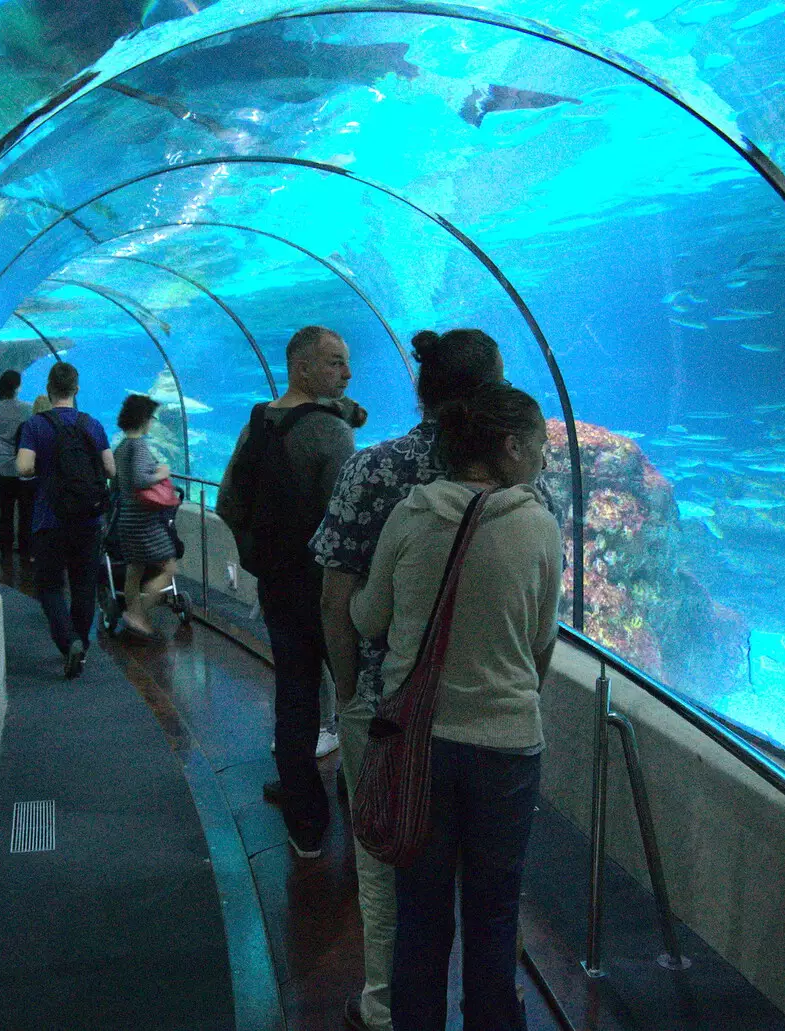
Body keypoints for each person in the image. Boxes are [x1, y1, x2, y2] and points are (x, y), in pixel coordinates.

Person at [312, 327, 512, 1031]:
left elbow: (338, 601)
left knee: (386, 862)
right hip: (483, 711)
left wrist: (347, 695)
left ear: (422, 388)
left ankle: (385, 1007)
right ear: (492, 390)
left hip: (385, 702)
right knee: (484, 886)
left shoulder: (373, 469)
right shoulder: (514, 485)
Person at [349, 382, 559, 1031]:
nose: (547, 459)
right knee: (494, 912)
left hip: (421, 742)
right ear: (511, 445)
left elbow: (369, 616)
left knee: (421, 911)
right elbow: (540, 644)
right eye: (542, 446)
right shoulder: (538, 525)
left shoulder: (413, 514)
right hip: (507, 748)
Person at [217, 325, 356, 859]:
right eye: (336, 362)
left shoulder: (258, 423)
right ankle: (358, 799)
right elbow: (349, 522)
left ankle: (304, 817)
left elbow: (228, 503)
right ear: (304, 368)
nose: (347, 373)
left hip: (277, 584)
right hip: (329, 594)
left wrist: (264, 553)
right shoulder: (328, 433)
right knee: (354, 694)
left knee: (294, 695)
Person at [16, 362, 115, 679]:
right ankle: (82, 645)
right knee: (84, 585)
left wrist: (46, 471)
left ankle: (68, 641)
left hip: (49, 519)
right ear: (77, 389)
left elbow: (23, 467)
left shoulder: (36, 425)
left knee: (50, 587)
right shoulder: (93, 425)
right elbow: (111, 470)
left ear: (48, 389)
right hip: (88, 520)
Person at [113, 393, 178, 639]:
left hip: (127, 518)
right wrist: (162, 473)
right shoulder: (138, 446)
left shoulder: (120, 448)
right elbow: (142, 479)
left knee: (135, 570)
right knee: (169, 567)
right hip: (144, 521)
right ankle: (138, 615)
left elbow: (117, 484)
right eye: (151, 417)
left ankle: (134, 615)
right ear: (143, 419)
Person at [0, 370, 34, 554]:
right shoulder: (27, 409)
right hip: (22, 468)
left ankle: (5, 550)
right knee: (25, 512)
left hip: (2, 467)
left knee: (5, 512)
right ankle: (25, 549)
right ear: (17, 387)